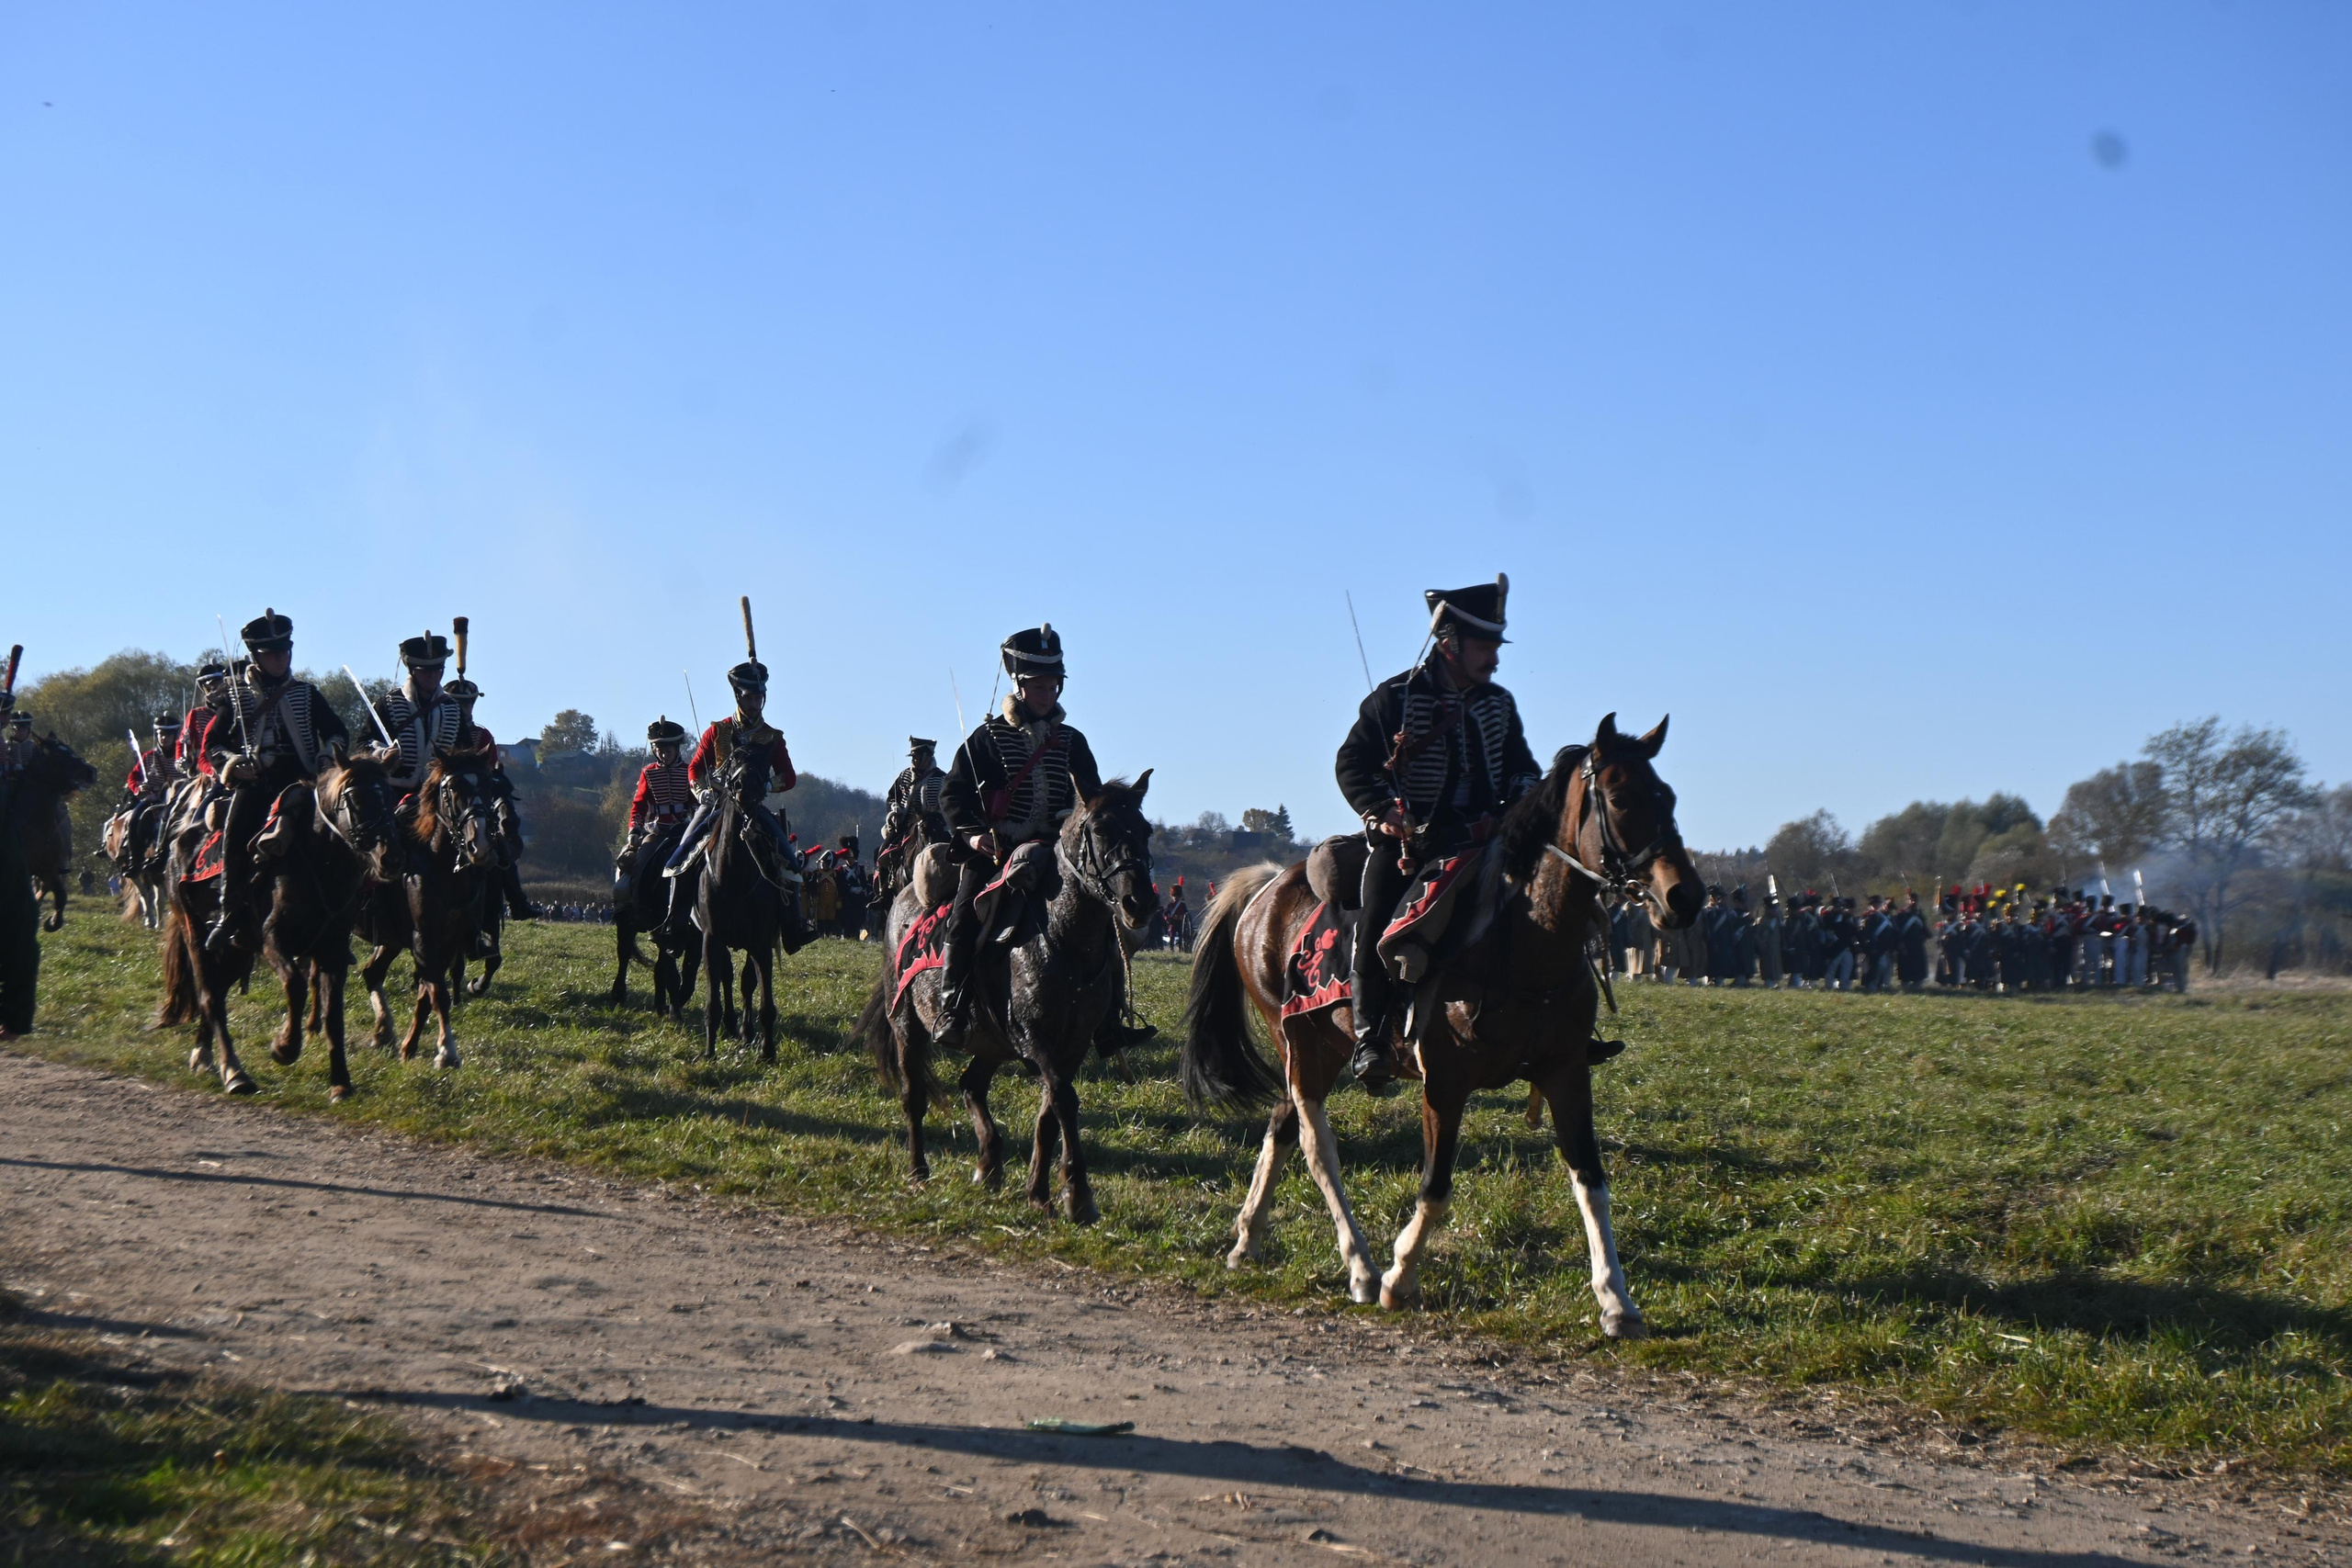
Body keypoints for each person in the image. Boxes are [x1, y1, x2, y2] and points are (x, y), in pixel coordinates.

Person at [1333, 576, 1541, 1089]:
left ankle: (1555, 1027)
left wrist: (1522, 801)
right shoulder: (1395, 698)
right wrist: (1381, 809)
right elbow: (1352, 762)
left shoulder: (1499, 703)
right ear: (1450, 643)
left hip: (1485, 838)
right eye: (1485, 646)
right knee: (1377, 917)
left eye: (1496, 645)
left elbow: (1522, 768)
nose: (1495, 658)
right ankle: (1372, 1036)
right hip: (1413, 842)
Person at [934, 624, 1153, 1055]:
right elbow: (952, 795)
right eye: (1039, 685)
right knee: (965, 918)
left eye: (1053, 685)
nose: (1047, 693)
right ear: (1020, 685)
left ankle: (1110, 1021)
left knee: (1103, 920)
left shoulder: (1073, 741)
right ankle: (952, 1008)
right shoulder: (987, 738)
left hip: (1057, 853)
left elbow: (1092, 802)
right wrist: (974, 838)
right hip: (996, 851)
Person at [203, 609, 349, 953]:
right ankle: (229, 914)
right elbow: (213, 745)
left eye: (284, 652)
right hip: (257, 782)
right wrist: (233, 765)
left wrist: (327, 755)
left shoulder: (307, 693)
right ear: (256, 656)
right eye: (272, 654)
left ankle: (344, 918)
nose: (280, 659)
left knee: (344, 833)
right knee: (235, 834)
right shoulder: (234, 696)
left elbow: (337, 731)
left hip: (304, 781)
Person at [658, 657, 803, 942]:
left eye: (759, 698)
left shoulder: (772, 736)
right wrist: (701, 791)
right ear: (738, 696)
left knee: (789, 861)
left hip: (752, 807)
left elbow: (789, 776)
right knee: (682, 854)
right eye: (750, 698)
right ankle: (674, 922)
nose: (755, 704)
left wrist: (768, 784)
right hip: (715, 804)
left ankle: (793, 926)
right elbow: (695, 768)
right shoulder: (718, 731)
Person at [444, 672, 534, 923]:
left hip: (477, 800)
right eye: (458, 704)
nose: (464, 709)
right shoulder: (439, 730)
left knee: (500, 844)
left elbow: (491, 772)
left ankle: (516, 899)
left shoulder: (483, 736)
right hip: (447, 798)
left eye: (467, 704)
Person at [885, 737, 952, 848]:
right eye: (912, 757)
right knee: (882, 852)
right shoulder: (904, 775)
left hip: (933, 826)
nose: (912, 760)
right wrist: (894, 811)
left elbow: (948, 805)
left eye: (915, 757)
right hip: (904, 825)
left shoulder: (941, 778)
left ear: (926, 757)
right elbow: (892, 797)